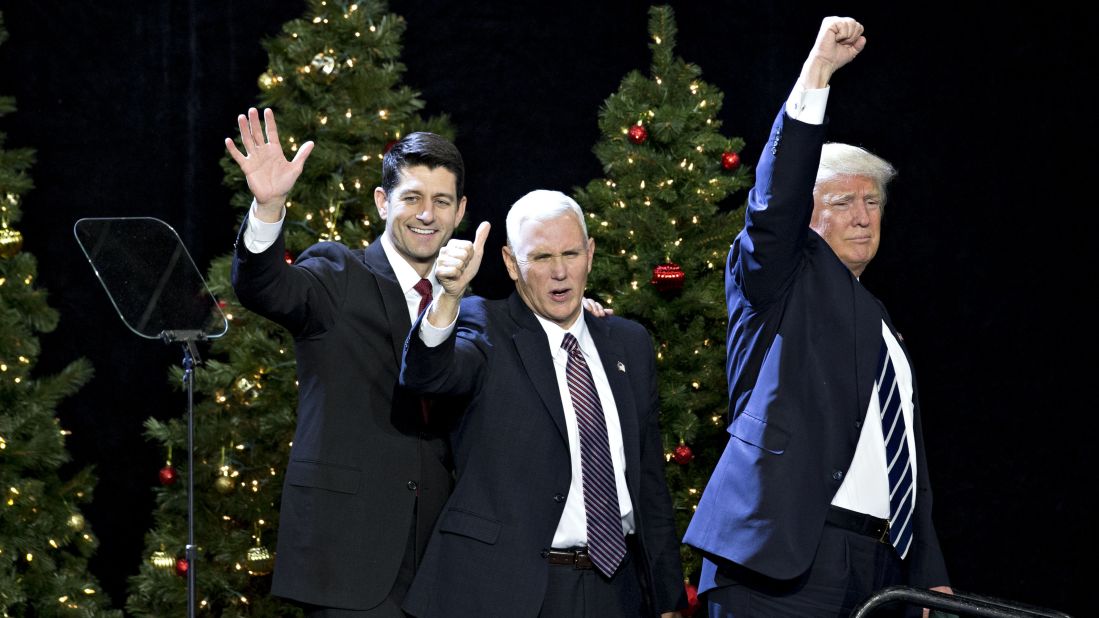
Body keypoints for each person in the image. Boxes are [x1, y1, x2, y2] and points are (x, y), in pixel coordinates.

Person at [682, 17, 953, 617]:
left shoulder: (884, 327)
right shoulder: (780, 280)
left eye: (872, 202)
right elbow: (775, 203)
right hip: (780, 562)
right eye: (842, 202)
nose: (862, 215)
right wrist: (818, 74)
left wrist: (929, 573)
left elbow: (905, 457)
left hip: (878, 568)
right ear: (807, 218)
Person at [397, 190, 686, 617]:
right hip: (510, 590)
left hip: (618, 590)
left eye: (570, 253)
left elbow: (649, 482)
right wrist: (447, 298)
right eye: (541, 257)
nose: (559, 273)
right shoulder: (484, 325)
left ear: (589, 254)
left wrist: (667, 600)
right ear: (512, 264)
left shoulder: (629, 342)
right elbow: (426, 376)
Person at [225, 108, 464, 616]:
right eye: (412, 198)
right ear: (382, 202)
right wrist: (269, 209)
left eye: (441, 201)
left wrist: (581, 313)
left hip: (440, 565)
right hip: (349, 558)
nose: (427, 214)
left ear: (459, 212)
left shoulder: (464, 302)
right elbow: (265, 287)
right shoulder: (338, 272)